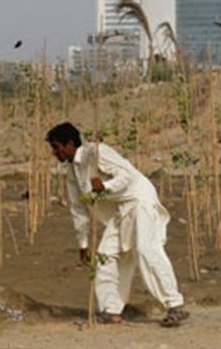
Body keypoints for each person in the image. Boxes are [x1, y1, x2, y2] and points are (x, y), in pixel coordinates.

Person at [46, 121, 189, 327]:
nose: (54, 152)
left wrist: (105, 187)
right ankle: (111, 311)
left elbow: (127, 175)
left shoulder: (96, 152)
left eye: (56, 147)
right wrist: (83, 243)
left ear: (69, 144)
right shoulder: (72, 174)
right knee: (105, 257)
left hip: (139, 200)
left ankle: (175, 305)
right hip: (120, 212)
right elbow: (78, 210)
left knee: (145, 249)